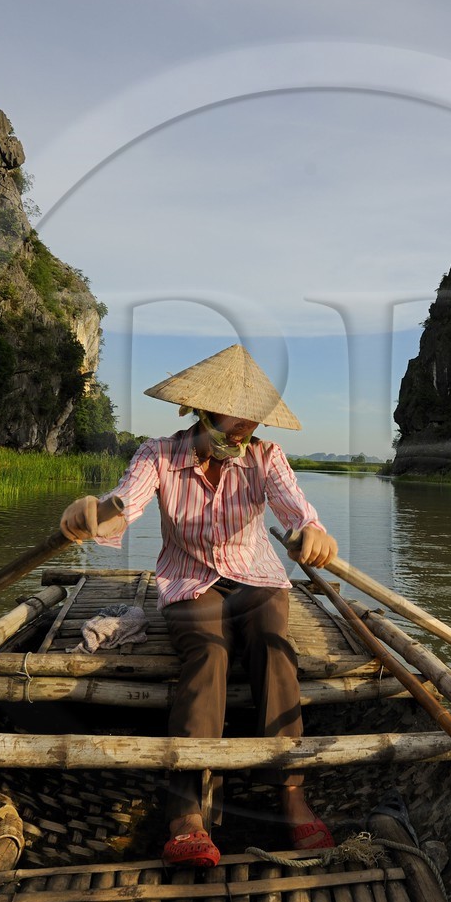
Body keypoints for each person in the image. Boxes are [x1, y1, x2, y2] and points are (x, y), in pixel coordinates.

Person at [59, 344, 340, 869]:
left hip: (257, 576)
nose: (244, 431)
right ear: (203, 411)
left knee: (274, 649)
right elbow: (124, 504)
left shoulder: (265, 457)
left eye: (252, 422)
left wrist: (313, 533)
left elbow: (297, 511)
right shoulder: (159, 455)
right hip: (190, 580)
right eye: (235, 419)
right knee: (208, 653)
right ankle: (187, 809)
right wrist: (94, 512)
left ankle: (291, 791)